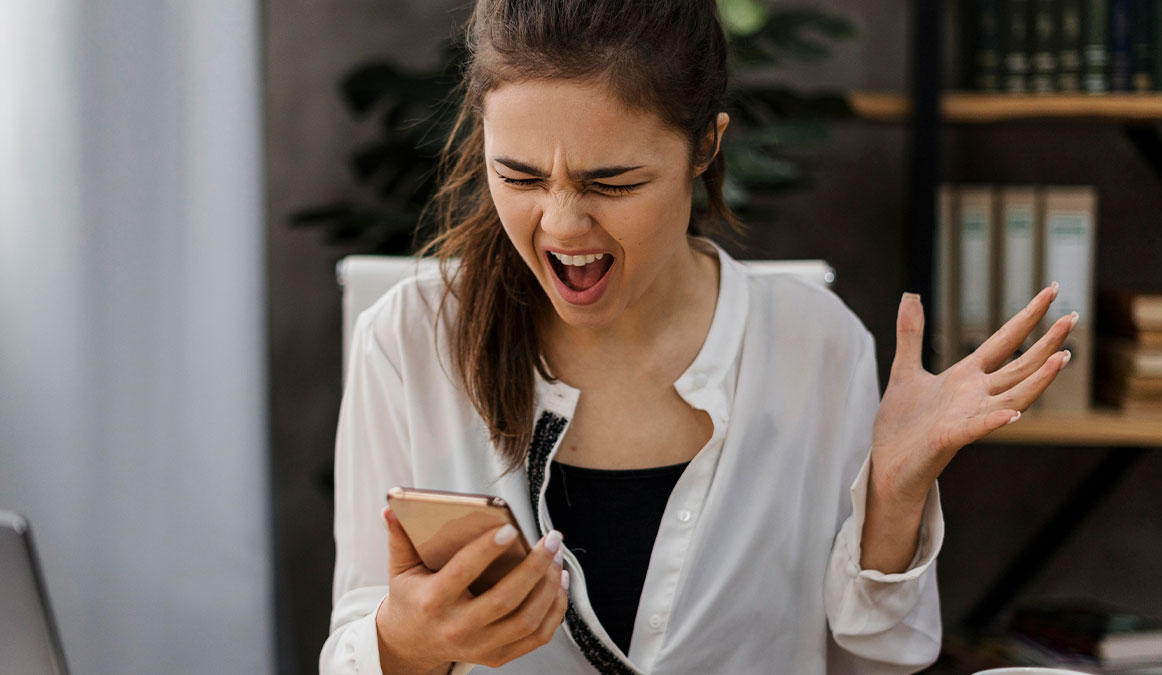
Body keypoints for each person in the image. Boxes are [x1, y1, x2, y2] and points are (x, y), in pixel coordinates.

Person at [318, 1, 1077, 673]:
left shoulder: (817, 344)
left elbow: (873, 661)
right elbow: (352, 649)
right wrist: (408, 641)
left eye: (612, 183)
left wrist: (893, 496)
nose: (561, 224)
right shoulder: (409, 340)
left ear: (706, 146)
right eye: (518, 177)